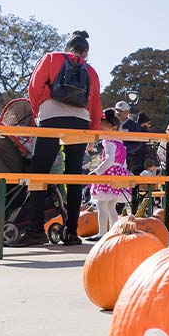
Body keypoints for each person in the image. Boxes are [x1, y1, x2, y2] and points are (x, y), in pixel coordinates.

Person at [13, 30, 104, 246]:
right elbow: (95, 104)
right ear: (85, 53)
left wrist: (38, 114)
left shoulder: (52, 58)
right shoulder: (90, 70)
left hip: (51, 118)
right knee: (73, 176)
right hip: (80, 121)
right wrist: (92, 131)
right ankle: (71, 232)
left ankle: (36, 230)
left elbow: (34, 87)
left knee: (38, 174)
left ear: (67, 48)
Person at [87, 109, 131, 241]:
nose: (100, 128)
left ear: (114, 128)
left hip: (109, 173)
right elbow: (123, 162)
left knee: (102, 204)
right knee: (111, 205)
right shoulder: (120, 143)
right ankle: (113, 231)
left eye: (103, 126)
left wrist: (98, 171)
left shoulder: (108, 142)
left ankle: (102, 233)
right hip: (118, 173)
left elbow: (109, 159)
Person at [118, 102, 146, 175]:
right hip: (111, 156)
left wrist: (123, 149)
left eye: (120, 111)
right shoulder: (111, 123)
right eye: (116, 110)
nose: (118, 113)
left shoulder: (133, 126)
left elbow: (138, 144)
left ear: (127, 112)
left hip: (128, 158)